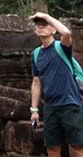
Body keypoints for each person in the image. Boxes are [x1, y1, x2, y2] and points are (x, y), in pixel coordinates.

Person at [30, 12, 83, 154]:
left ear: (53, 29)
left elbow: (66, 32)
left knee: (76, 145)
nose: (41, 28)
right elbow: (36, 82)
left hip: (70, 103)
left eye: (45, 25)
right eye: (38, 26)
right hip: (50, 106)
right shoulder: (36, 54)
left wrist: (47, 17)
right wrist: (34, 109)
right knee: (52, 146)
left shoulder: (62, 47)